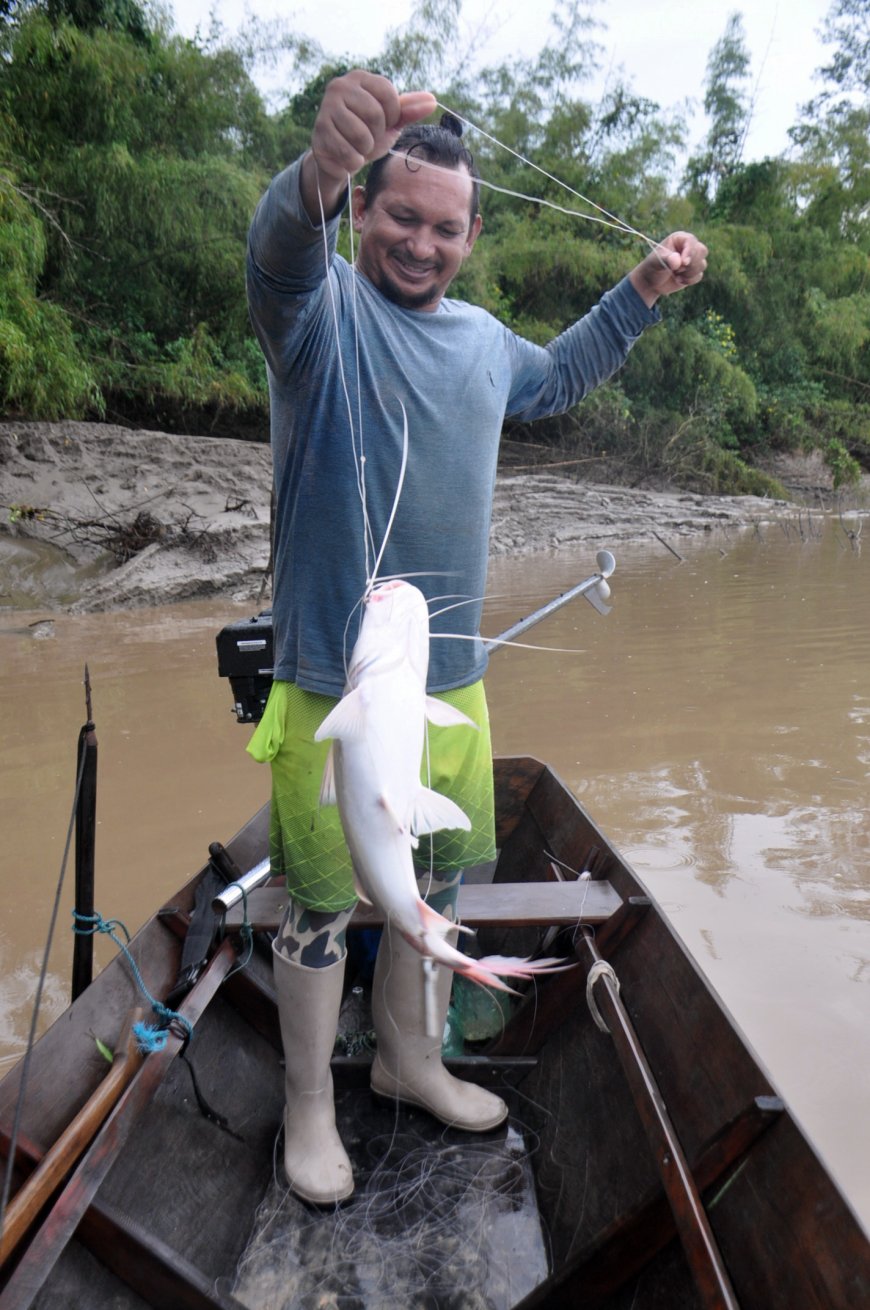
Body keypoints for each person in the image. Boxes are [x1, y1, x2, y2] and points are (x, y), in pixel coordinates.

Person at [245, 69, 707, 1206]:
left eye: (444, 226)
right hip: (328, 677)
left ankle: (410, 1057)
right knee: (314, 895)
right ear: (362, 211)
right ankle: (309, 1103)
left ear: (472, 232)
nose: (419, 241)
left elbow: (560, 375)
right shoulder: (321, 318)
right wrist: (315, 168)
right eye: (398, 215)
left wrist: (642, 286)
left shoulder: (485, 342)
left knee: (440, 875)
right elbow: (276, 258)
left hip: (452, 680)